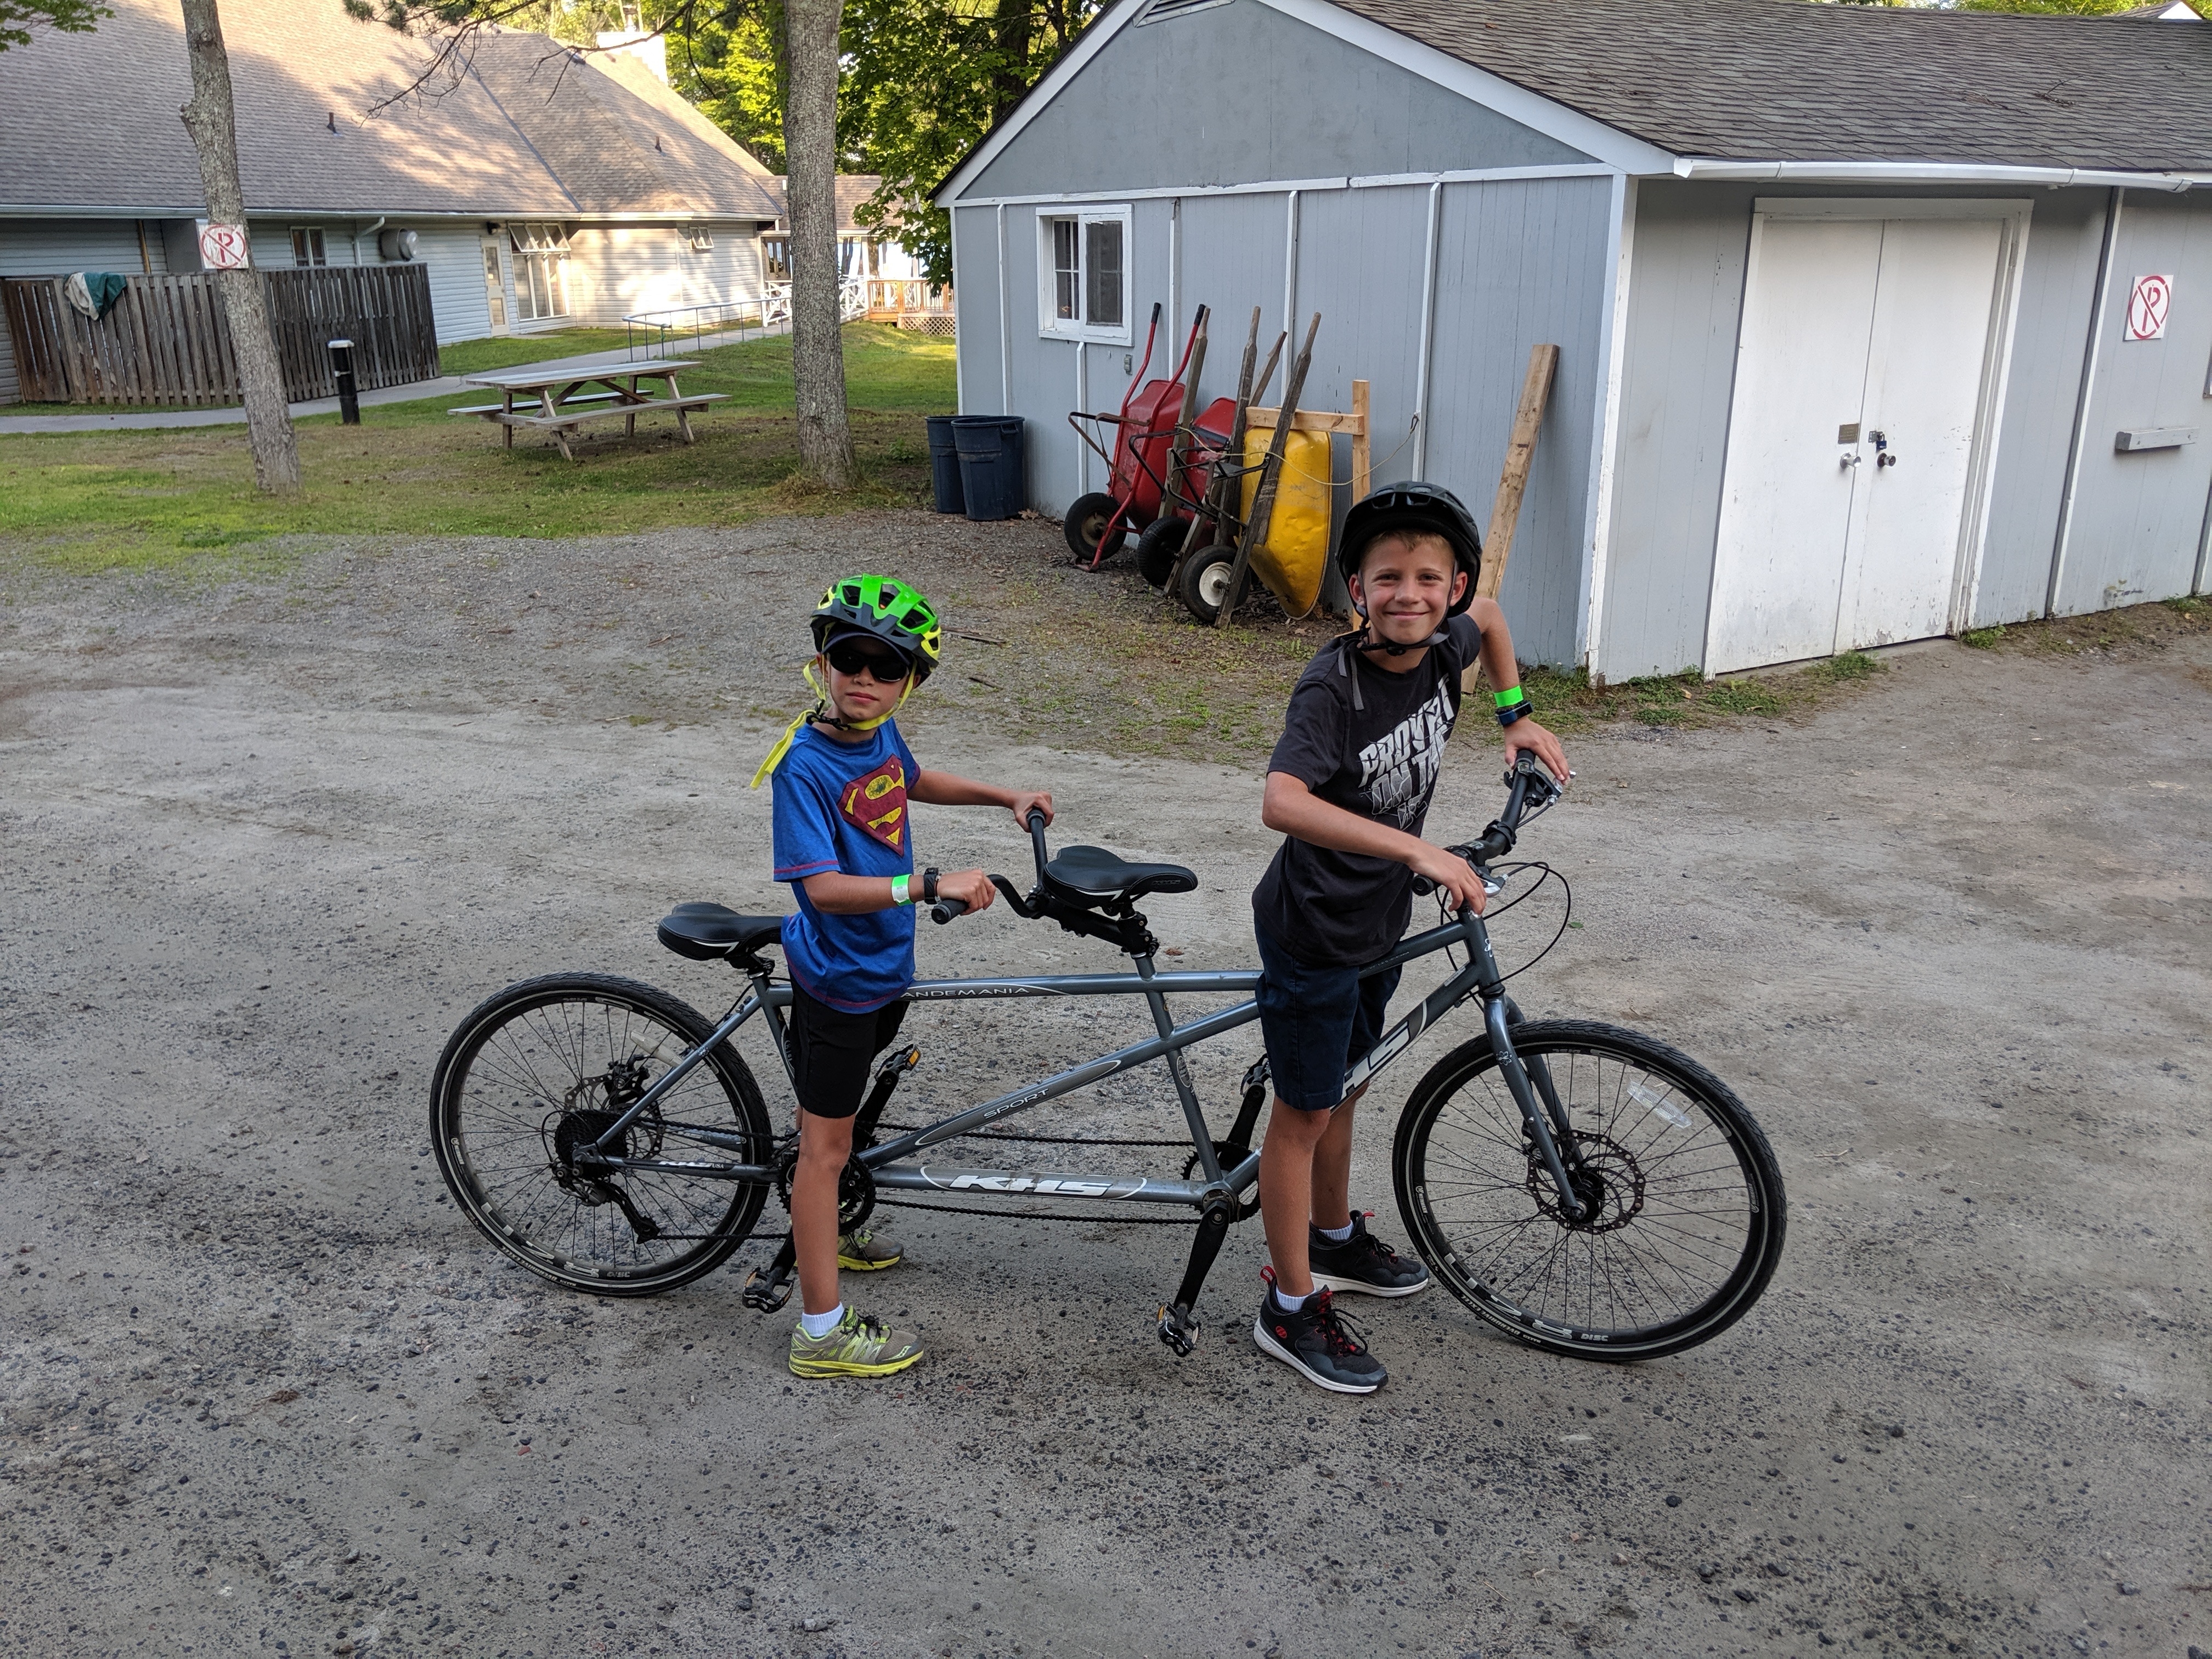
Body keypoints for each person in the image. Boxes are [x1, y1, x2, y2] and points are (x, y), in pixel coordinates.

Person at [1248, 483, 1571, 1393]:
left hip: (1376, 920)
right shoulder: (1334, 685)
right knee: (1303, 1113)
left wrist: (1515, 715)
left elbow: (1497, 619)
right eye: (1387, 577)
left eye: (1429, 578)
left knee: (1348, 1085)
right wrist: (1417, 850)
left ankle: (1333, 1236)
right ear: (1358, 588)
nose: (1408, 593)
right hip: (1314, 929)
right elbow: (1283, 800)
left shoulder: (1445, 646)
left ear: (1452, 586)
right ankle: (1288, 1307)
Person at [751, 574, 1052, 1379]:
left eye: (884, 667)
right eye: (847, 659)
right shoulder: (803, 766)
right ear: (820, 663)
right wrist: (927, 883)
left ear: (907, 685)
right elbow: (819, 890)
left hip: (883, 967)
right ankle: (819, 1331)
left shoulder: (877, 736)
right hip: (839, 979)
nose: (863, 679)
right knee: (825, 1147)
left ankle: (831, 1226)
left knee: (842, 1124)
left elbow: (910, 781)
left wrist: (1002, 795)